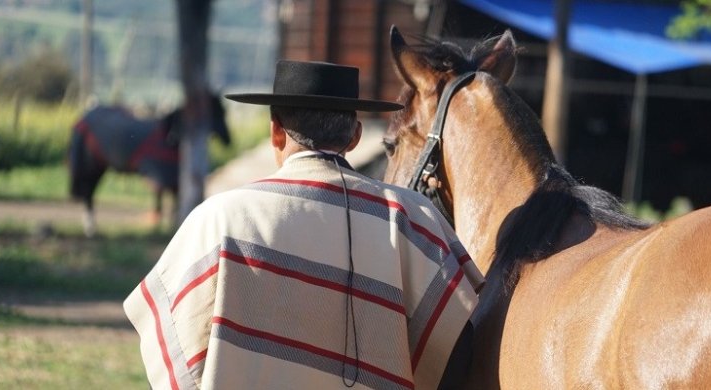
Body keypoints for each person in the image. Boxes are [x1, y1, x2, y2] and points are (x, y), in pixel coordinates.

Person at [124, 60, 484, 389]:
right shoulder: (413, 221)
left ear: (276, 132)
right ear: (355, 136)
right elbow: (458, 350)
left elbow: (173, 350)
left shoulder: (218, 219)